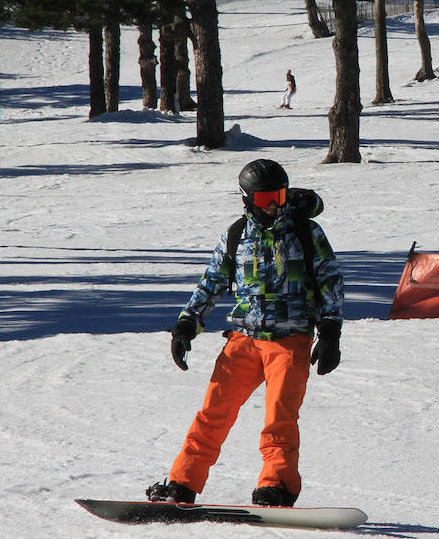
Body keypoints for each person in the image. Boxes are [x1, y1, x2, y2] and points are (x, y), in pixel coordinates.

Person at [146, 159, 344, 507]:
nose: (274, 206)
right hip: (244, 339)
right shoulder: (236, 235)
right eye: (266, 198)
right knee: (212, 413)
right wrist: (187, 323)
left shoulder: (305, 232)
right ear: (247, 199)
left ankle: (276, 486)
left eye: (280, 196)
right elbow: (212, 281)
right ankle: (182, 483)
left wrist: (329, 330)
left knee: (279, 419)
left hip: (290, 339)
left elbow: (330, 280)